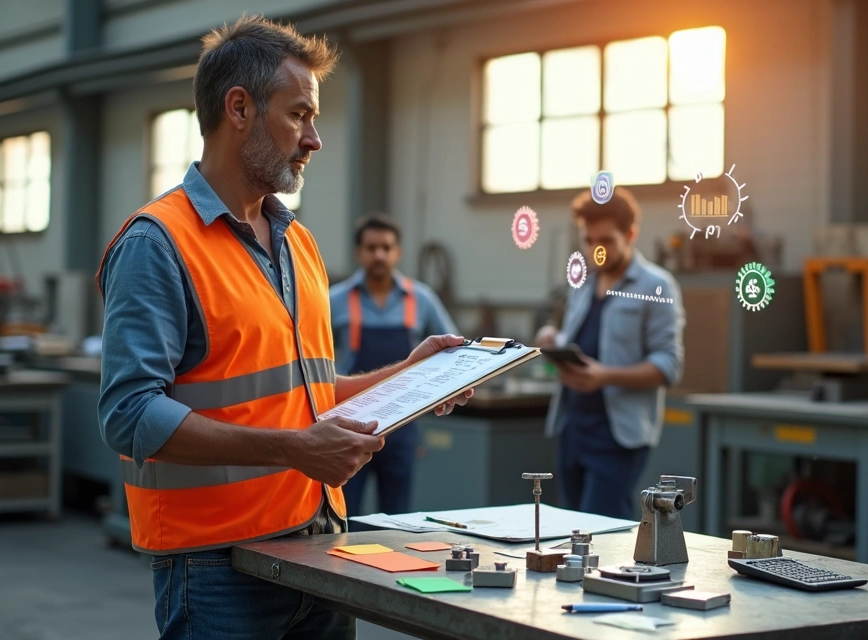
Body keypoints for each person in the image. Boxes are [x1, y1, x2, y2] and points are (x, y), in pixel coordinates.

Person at [97, 16, 471, 640]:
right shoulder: (158, 244)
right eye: (299, 115)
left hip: (319, 552)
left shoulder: (298, 244)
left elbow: (307, 396)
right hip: (219, 570)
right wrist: (293, 450)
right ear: (238, 108)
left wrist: (409, 375)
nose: (314, 139)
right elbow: (129, 415)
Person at [535, 187, 684, 520]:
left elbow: (669, 365)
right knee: (569, 529)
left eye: (605, 241)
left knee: (601, 531)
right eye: (588, 241)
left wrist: (605, 376)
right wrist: (553, 339)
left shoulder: (656, 286)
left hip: (618, 435)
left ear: (630, 234)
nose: (595, 250)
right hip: (572, 427)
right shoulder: (584, 282)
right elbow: (581, 337)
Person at [329, 214, 459, 517]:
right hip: (351, 424)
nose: (379, 255)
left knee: (397, 518)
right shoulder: (333, 300)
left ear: (398, 252)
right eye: (371, 247)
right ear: (358, 252)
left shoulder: (422, 299)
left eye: (386, 248)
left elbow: (453, 350)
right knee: (346, 515)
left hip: (403, 426)